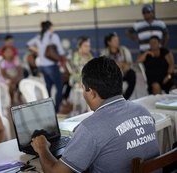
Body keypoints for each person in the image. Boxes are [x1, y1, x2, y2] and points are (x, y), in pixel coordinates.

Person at [31, 57, 159, 173]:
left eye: (83, 88)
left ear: (91, 92)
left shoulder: (90, 128)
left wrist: (42, 148)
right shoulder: (143, 111)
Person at [27, 20, 65, 112]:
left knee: (48, 87)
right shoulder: (53, 36)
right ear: (50, 27)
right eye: (52, 27)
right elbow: (60, 51)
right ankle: (56, 110)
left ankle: (49, 108)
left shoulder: (39, 36)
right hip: (52, 65)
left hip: (43, 66)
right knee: (59, 87)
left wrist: (39, 51)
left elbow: (29, 44)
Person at [101, 33, 136, 99]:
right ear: (109, 42)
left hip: (123, 72)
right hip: (111, 75)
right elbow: (102, 65)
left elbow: (129, 63)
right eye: (114, 40)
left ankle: (125, 98)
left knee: (132, 74)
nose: (117, 42)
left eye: (117, 40)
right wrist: (114, 65)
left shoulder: (124, 50)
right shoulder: (104, 52)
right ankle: (114, 98)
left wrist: (123, 65)